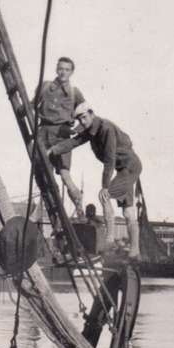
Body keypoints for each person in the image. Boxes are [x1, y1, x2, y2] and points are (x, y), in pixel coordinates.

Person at [49, 103, 142, 259]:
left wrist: (105, 186)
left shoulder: (105, 128)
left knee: (104, 195)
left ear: (92, 114)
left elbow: (110, 160)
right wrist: (53, 150)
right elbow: (73, 142)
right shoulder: (91, 131)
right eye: (79, 119)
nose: (82, 122)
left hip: (130, 167)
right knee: (127, 211)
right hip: (124, 169)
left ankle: (109, 239)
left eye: (84, 117)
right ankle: (135, 251)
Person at [35, 57, 85, 214]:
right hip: (43, 133)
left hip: (62, 136)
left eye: (67, 69)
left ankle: (79, 208)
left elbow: (86, 116)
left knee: (65, 176)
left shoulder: (73, 92)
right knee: (44, 176)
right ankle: (52, 212)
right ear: (57, 69)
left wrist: (77, 131)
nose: (63, 72)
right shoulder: (45, 87)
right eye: (61, 68)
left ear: (71, 72)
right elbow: (32, 104)